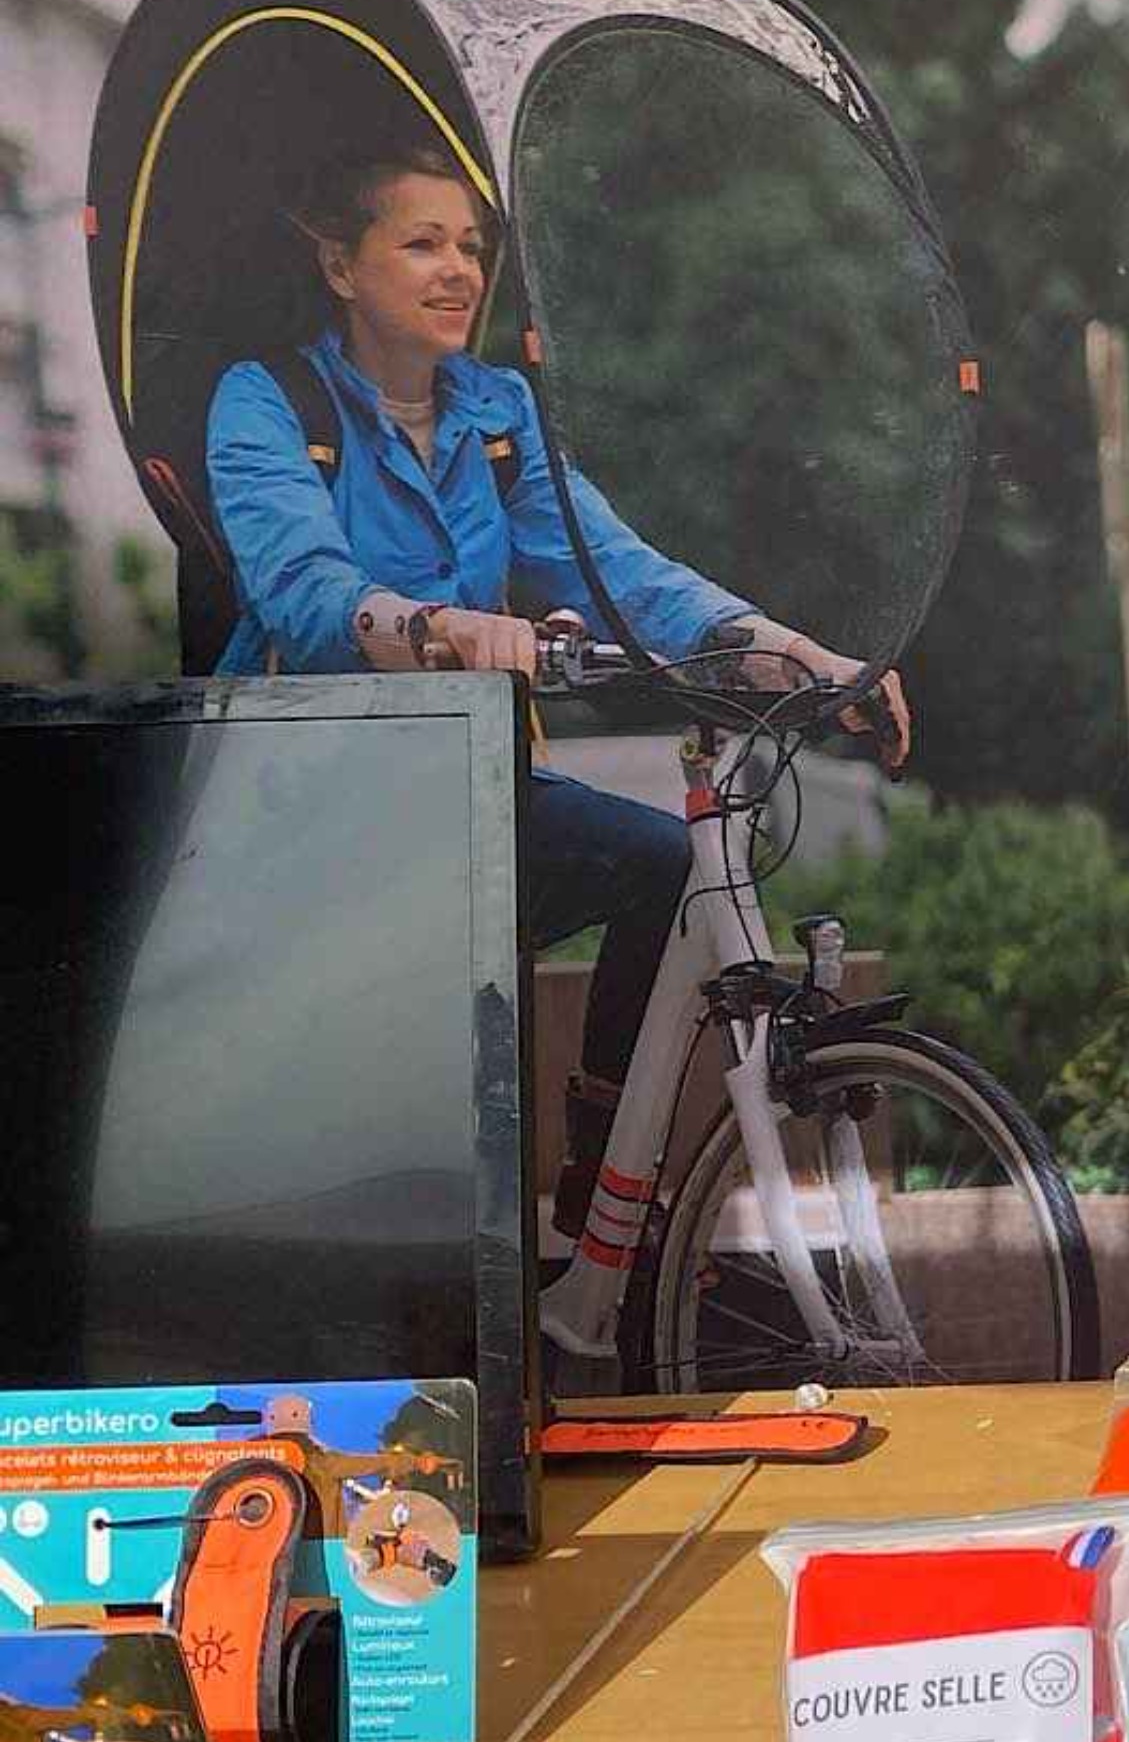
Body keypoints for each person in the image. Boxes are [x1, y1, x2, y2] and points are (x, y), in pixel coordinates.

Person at [206, 136, 912, 1245]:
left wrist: (788, 650)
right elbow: (301, 587)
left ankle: (603, 1198)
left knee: (674, 868)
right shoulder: (264, 403)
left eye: (473, 247)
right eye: (422, 242)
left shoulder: (497, 419)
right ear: (342, 267)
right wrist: (444, 629)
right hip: (319, 815)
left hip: (471, 798)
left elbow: (620, 572)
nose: (458, 270)